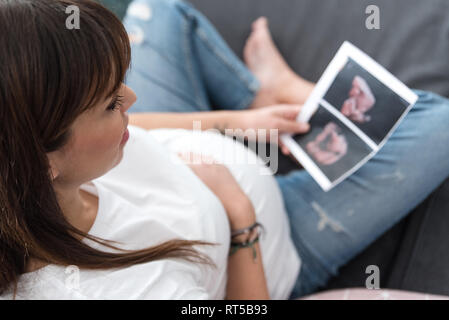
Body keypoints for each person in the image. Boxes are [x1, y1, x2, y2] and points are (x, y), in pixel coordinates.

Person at [1, 0, 449, 300]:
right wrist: (241, 221)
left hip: (208, 160)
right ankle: (292, 94)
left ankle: (267, 92)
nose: (131, 99)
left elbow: (137, 127)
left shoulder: (50, 155)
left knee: (162, 8)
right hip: (279, 236)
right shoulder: (136, 289)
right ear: (42, 160)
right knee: (439, 126)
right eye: (109, 103)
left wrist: (234, 121)